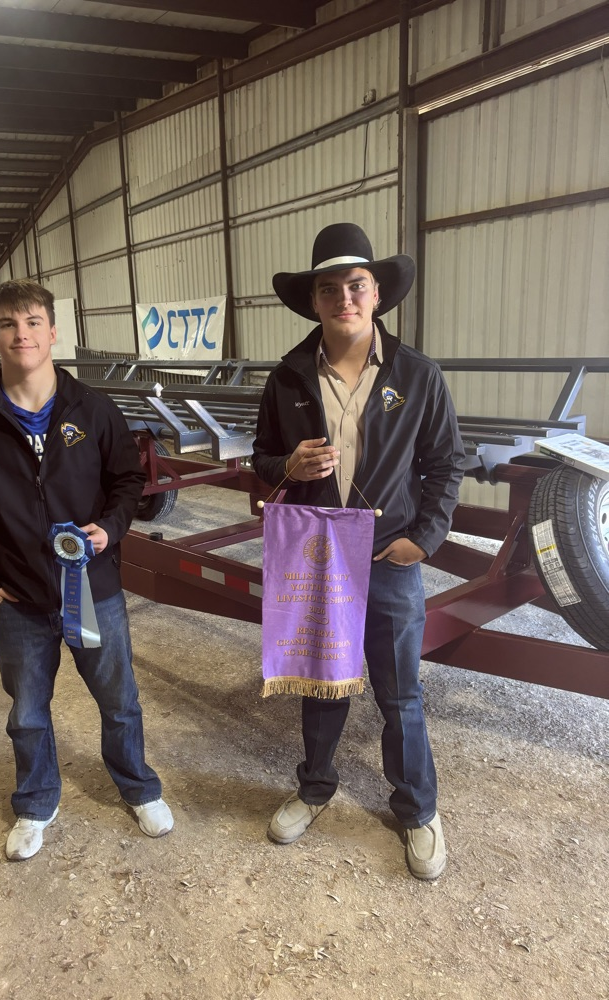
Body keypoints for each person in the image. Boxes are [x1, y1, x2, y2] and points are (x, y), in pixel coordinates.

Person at [252, 223, 465, 879]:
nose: (344, 298)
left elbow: (445, 464)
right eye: (330, 289)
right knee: (323, 682)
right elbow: (262, 460)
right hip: (318, 558)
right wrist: (287, 464)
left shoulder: (417, 375)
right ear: (314, 301)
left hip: (387, 558)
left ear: (376, 293)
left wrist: (423, 539)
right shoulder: (287, 376)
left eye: (356, 285)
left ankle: (418, 810)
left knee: (400, 694)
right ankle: (315, 788)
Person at [0, 278, 173, 861]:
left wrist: (110, 529)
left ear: (53, 332)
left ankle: (139, 787)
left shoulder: (93, 408)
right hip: (15, 598)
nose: (22, 334)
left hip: (93, 590)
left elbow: (127, 481)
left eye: (33, 322)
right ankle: (36, 801)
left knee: (120, 701)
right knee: (26, 713)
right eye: (8, 324)